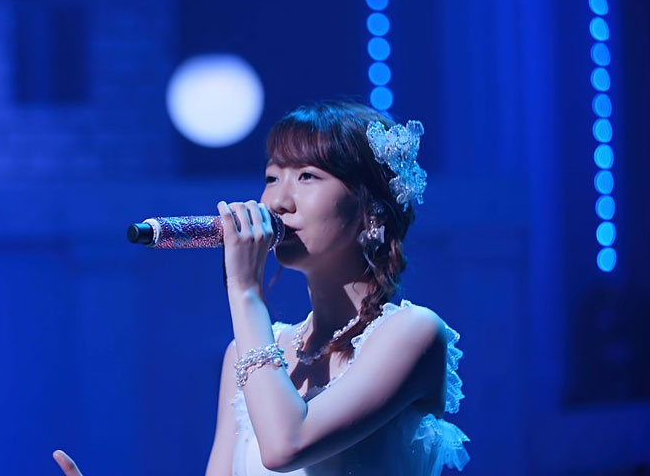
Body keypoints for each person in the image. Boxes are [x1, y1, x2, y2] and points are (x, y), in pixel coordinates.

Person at [54, 101, 470, 475]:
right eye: (272, 177)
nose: (277, 202)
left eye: (307, 176)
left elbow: (286, 446)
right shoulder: (247, 351)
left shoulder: (413, 333)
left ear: (371, 209)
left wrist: (245, 291)